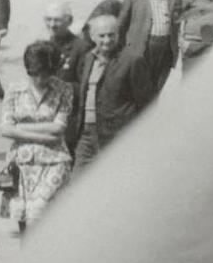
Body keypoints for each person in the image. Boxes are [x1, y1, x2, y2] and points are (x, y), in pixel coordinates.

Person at [62, 9, 167, 168]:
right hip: (86, 134)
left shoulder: (132, 60)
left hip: (116, 136)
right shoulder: (88, 59)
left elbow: (147, 102)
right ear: (92, 36)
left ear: (118, 35)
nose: (107, 40)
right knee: (79, 178)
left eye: (111, 35)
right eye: (102, 36)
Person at [0, 40, 73, 234]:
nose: (40, 79)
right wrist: (45, 135)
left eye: (45, 74)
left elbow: (58, 128)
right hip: (20, 163)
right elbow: (4, 128)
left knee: (39, 213)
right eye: (35, 74)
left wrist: (20, 127)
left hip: (54, 161)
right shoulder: (14, 90)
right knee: (22, 216)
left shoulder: (64, 89)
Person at [118, 0, 183, 94]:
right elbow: (120, 26)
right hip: (141, 49)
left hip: (165, 50)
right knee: (137, 87)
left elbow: (177, 26)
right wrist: (122, 51)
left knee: (157, 87)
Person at [40, 0, 80, 69]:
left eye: (57, 20)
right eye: (48, 19)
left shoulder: (80, 48)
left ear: (69, 21)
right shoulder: (44, 47)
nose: (52, 25)